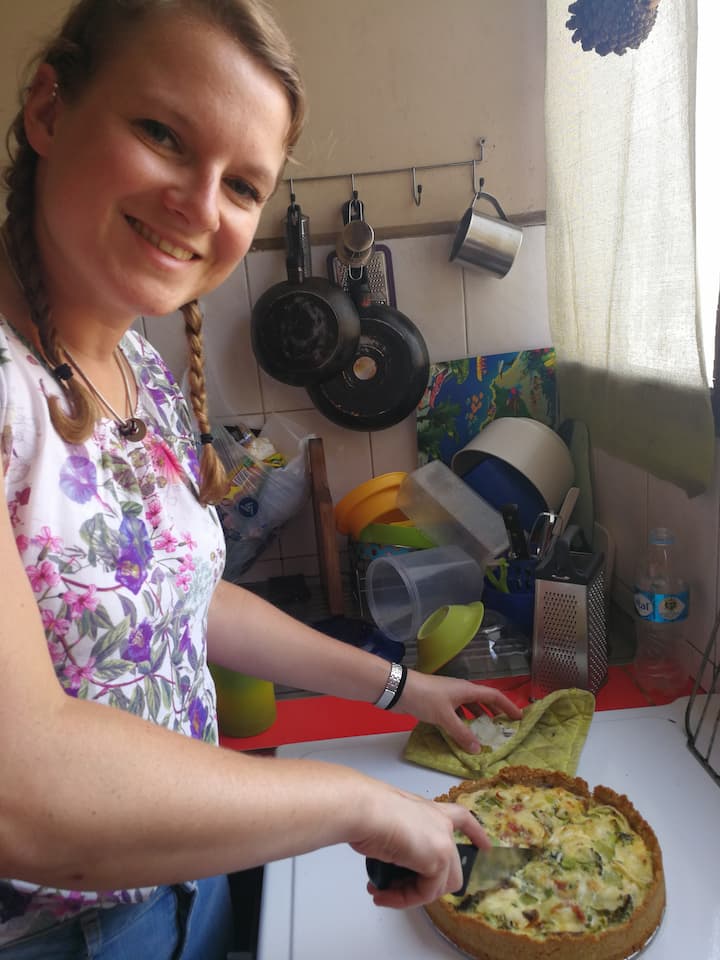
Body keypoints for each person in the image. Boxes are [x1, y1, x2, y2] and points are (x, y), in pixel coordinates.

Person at [0, 1, 524, 957]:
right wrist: (360, 804)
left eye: (242, 185)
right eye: (162, 133)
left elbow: (186, 601)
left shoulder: (138, 370)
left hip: (185, 885)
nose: (202, 207)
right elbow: (23, 789)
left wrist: (405, 688)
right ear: (48, 109)